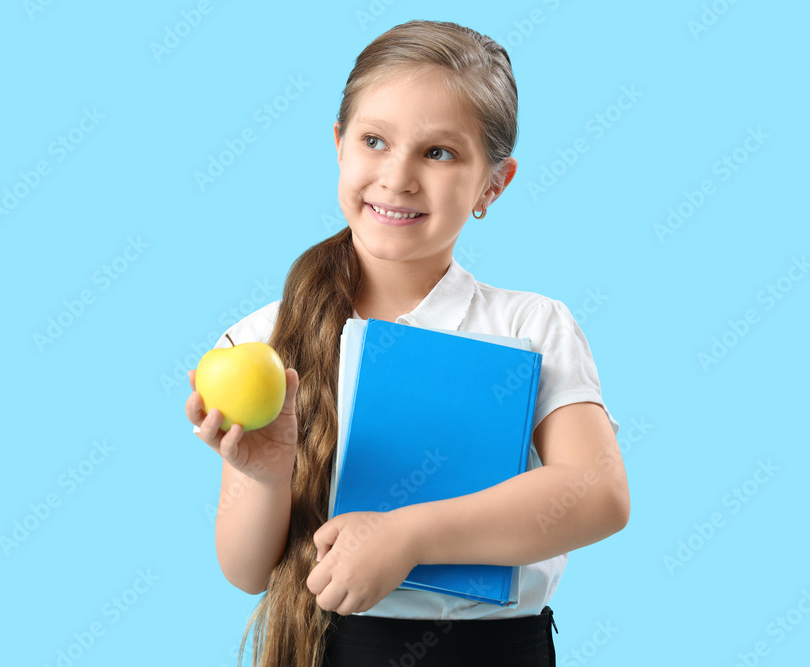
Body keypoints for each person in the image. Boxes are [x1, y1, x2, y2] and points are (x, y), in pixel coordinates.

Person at [185, 19, 630, 667]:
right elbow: (247, 570)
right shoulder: (262, 340)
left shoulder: (531, 326)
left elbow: (598, 493)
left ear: (493, 184)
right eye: (374, 140)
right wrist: (263, 473)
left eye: (439, 152)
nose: (397, 177)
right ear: (339, 146)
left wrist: (410, 534)